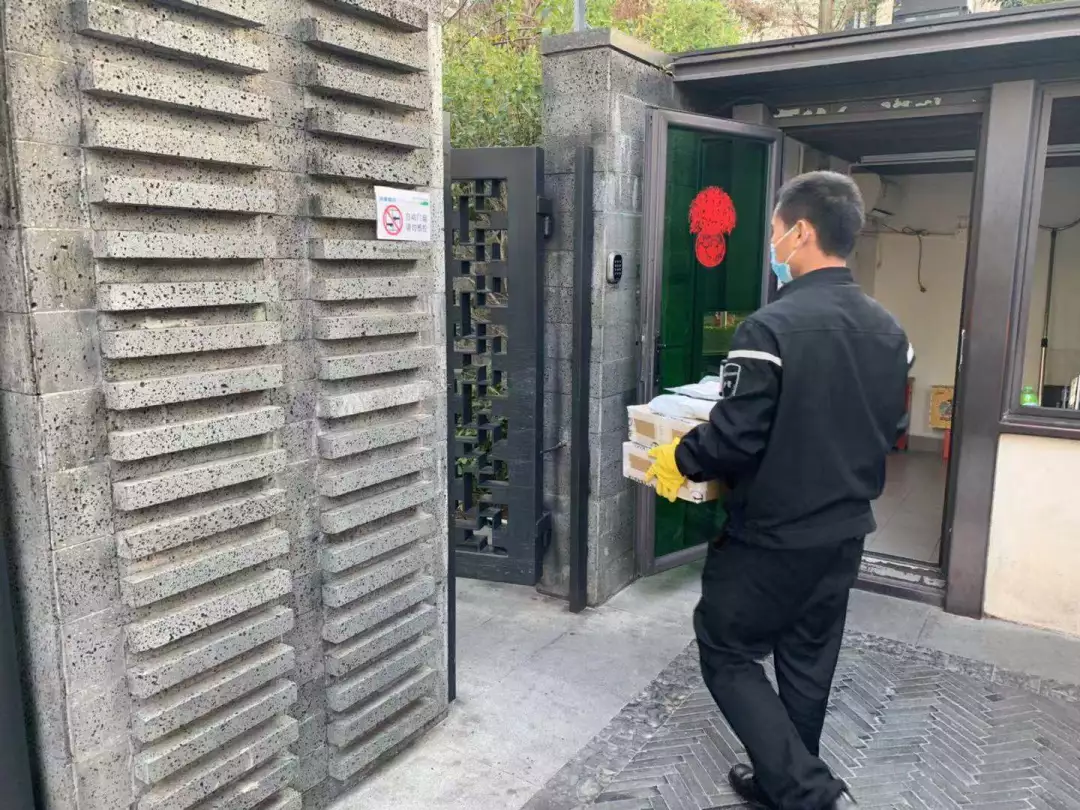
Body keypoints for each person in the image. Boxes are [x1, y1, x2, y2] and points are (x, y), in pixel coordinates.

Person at [646, 171, 914, 810]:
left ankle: (812, 794)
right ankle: (779, 783)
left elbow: (734, 440)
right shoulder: (892, 334)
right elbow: (892, 430)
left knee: (725, 648)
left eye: (773, 233)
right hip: (844, 532)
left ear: (801, 232)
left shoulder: (768, 330)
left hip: (770, 536)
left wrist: (679, 456)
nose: (771, 247)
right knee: (807, 660)